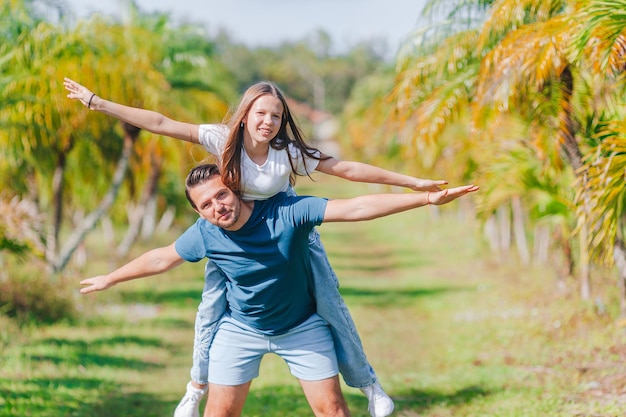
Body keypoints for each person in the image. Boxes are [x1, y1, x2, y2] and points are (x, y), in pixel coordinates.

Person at [64, 77, 448, 417]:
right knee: (211, 310)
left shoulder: (288, 154)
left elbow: (348, 174)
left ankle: (368, 384)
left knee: (330, 301)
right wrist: (98, 102)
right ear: (245, 114)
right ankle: (196, 388)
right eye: (261, 113)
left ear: (283, 122)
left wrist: (415, 185)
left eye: (276, 116)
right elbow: (162, 124)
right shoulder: (221, 139)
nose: (268, 122)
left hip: (286, 228)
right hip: (227, 237)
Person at [80, 163, 478, 417]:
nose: (218, 206)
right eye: (206, 204)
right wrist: (110, 278)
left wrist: (424, 199)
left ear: (235, 188)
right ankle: (195, 387)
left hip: (302, 326)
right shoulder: (205, 234)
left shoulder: (286, 213)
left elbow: (353, 208)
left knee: (334, 412)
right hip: (241, 329)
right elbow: (161, 258)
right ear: (199, 212)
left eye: (222, 194)